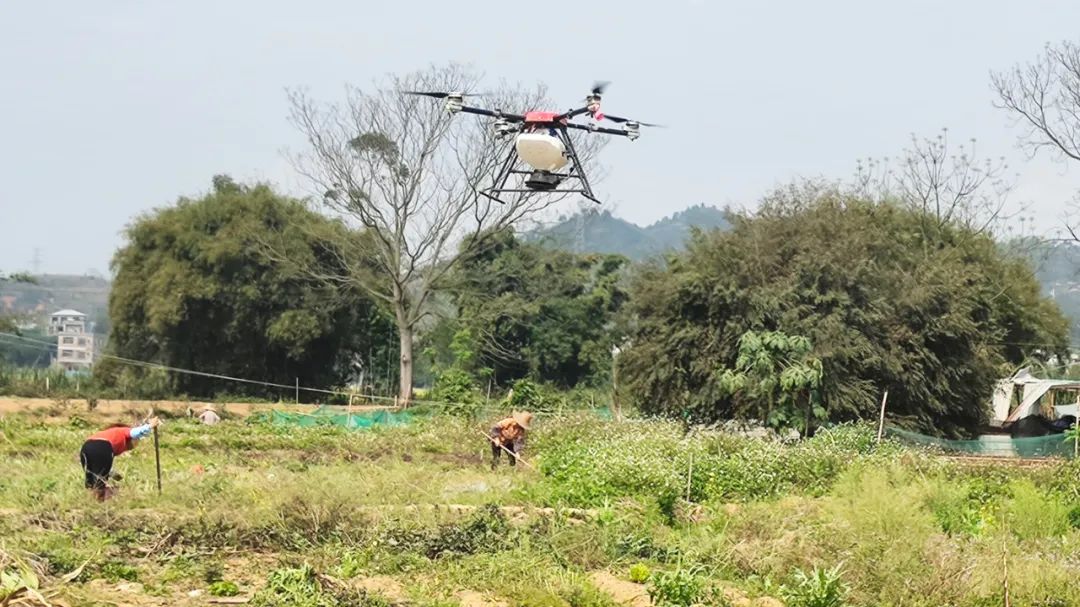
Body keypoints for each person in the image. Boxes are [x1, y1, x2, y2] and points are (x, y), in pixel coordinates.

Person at [79, 417, 161, 501]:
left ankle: (91, 502)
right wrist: (150, 426)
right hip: (102, 447)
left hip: (85, 448)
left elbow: (100, 464)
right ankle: (100, 501)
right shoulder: (123, 431)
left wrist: (113, 474)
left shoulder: (108, 434)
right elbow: (135, 432)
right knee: (101, 483)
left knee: (92, 481)